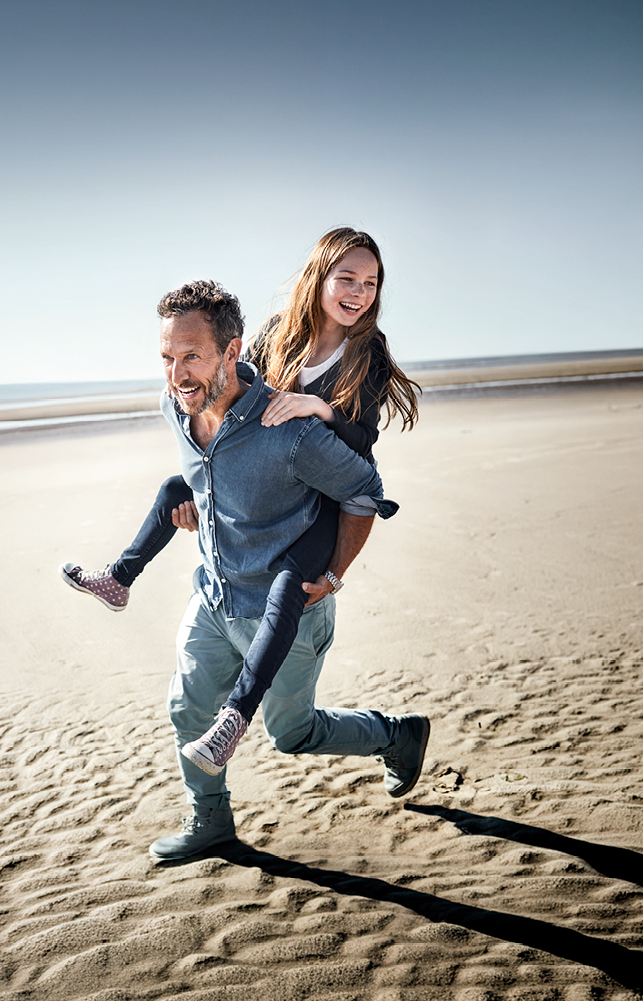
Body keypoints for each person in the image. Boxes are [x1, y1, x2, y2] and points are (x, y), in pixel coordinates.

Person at [62, 228, 422, 778]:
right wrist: (208, 501)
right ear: (317, 279)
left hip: (322, 503)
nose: (358, 291)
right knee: (173, 492)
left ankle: (239, 718)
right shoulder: (280, 332)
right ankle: (119, 577)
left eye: (370, 282)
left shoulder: (365, 355)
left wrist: (317, 410)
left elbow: (362, 448)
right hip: (266, 483)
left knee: (288, 595)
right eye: (345, 277)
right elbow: (239, 397)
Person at [131, 279, 430, 862]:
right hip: (216, 597)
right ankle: (210, 823)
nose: (177, 375)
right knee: (187, 709)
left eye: (192, 356)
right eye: (167, 358)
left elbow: (365, 492)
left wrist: (335, 575)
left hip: (288, 609)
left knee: (292, 734)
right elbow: (205, 477)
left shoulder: (289, 432)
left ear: (233, 350)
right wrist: (196, 507)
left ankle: (398, 734)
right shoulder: (176, 407)